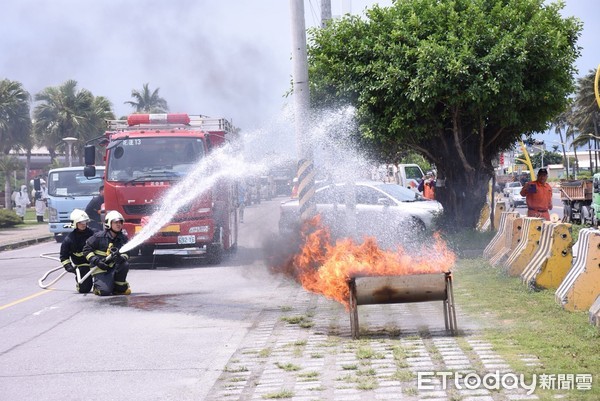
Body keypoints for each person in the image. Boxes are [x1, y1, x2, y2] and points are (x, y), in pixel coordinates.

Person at [83, 210, 131, 296]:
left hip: (114, 267)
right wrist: (96, 261)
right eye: (115, 222)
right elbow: (86, 250)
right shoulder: (98, 237)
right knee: (105, 291)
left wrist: (121, 258)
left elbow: (127, 253)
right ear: (109, 223)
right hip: (100, 268)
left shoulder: (123, 238)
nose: (118, 224)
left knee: (125, 264)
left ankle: (118, 286)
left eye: (120, 222)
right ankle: (97, 287)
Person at [60, 209, 95, 293]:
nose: (83, 224)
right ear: (74, 223)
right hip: (82, 265)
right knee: (84, 289)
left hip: (96, 263)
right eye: (80, 222)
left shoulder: (94, 234)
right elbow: (64, 256)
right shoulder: (69, 240)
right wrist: (68, 266)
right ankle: (81, 285)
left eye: (85, 222)